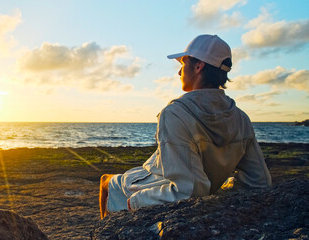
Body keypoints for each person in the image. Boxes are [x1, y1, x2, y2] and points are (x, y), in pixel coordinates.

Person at [99, 34, 272, 219]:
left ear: (199, 66)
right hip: (199, 185)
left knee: (106, 183)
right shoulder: (241, 118)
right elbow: (259, 181)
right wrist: (221, 194)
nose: (179, 72)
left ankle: (108, 230)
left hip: (166, 185)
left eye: (183, 64)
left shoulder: (176, 113)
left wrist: (136, 201)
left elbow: (188, 192)